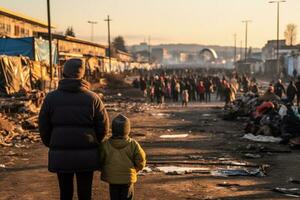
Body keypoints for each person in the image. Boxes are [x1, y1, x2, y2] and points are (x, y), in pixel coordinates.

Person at [38, 58, 110, 200]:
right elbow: (103, 127)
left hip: (61, 155)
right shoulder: (93, 98)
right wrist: (94, 142)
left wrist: (52, 143)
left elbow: (43, 126)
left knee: (65, 193)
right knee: (85, 193)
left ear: (64, 73)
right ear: (82, 75)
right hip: (86, 155)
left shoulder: (51, 98)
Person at [100, 114, 146, 200]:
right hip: (128, 178)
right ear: (127, 130)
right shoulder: (133, 144)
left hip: (112, 179)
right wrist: (136, 169)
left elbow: (100, 159)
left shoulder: (106, 144)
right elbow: (141, 159)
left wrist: (104, 169)